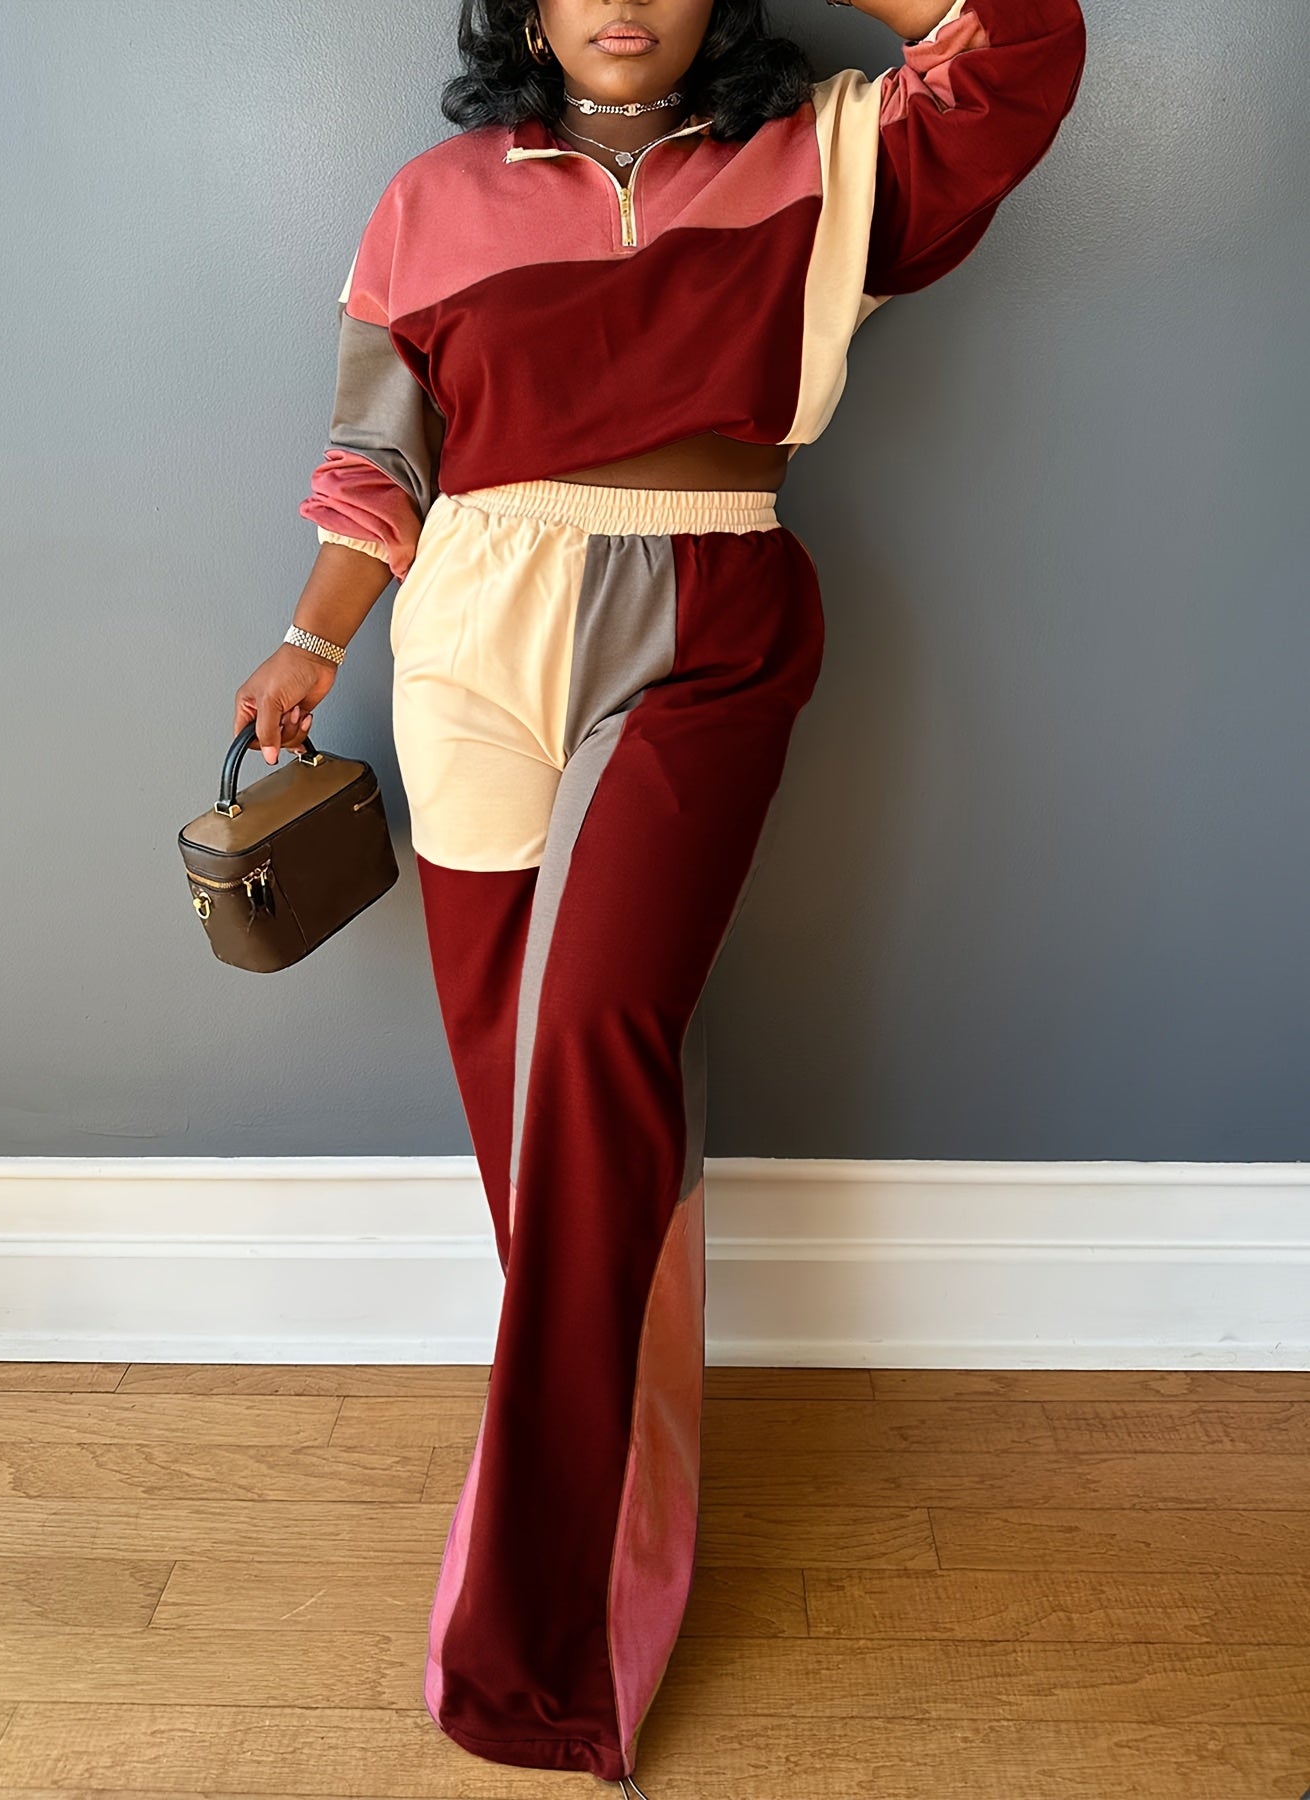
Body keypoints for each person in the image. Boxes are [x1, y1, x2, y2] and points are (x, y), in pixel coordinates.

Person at [232, 0, 1087, 1790]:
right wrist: (312, 641)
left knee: (593, 1044)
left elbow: (1016, 48)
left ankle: (544, 1625)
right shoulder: (432, 195)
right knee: (531, 1116)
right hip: (468, 638)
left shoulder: (820, 154)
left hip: (707, 617)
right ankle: (623, 1498)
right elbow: (380, 459)